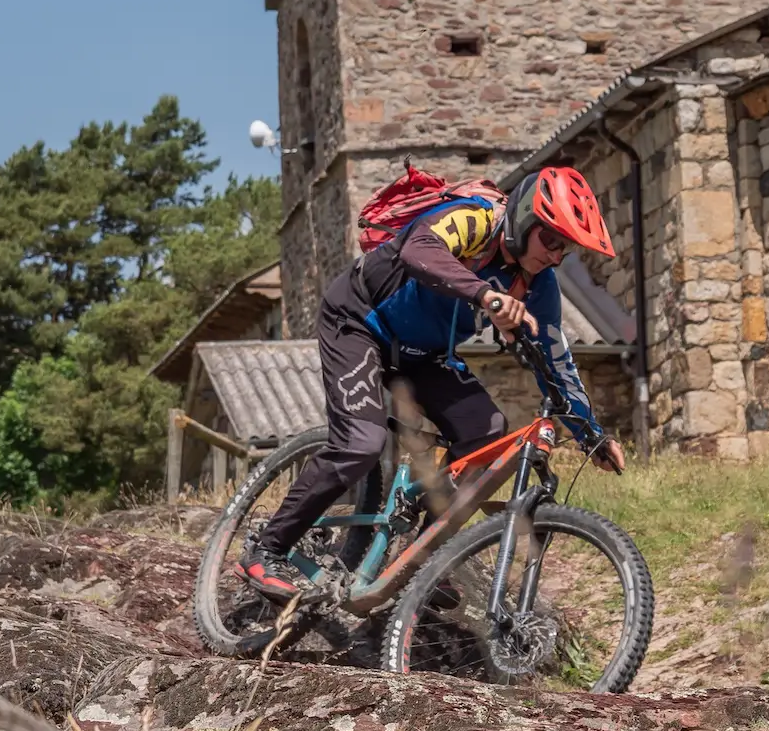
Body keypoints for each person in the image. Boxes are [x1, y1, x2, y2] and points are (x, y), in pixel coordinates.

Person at [237, 165, 627, 598]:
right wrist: (486, 295)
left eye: (565, 250)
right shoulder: (476, 218)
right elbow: (419, 248)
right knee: (361, 444)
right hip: (359, 322)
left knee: (488, 435)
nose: (555, 256)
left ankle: (418, 563)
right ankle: (267, 548)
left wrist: (591, 435)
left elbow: (555, 362)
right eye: (552, 240)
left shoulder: (539, 286)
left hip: (424, 355)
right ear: (523, 220)